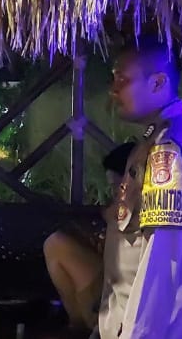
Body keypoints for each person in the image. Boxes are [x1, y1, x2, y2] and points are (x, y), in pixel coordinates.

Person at [94, 37, 182, 339]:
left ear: (158, 83)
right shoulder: (158, 140)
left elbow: (162, 257)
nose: (113, 90)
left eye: (123, 79)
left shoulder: (172, 146)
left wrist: (138, 333)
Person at [42, 140, 136, 333]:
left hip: (126, 292)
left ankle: (84, 325)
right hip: (113, 282)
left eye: (116, 186)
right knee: (56, 245)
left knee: (57, 245)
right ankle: (81, 325)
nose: (115, 193)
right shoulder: (119, 209)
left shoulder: (141, 205)